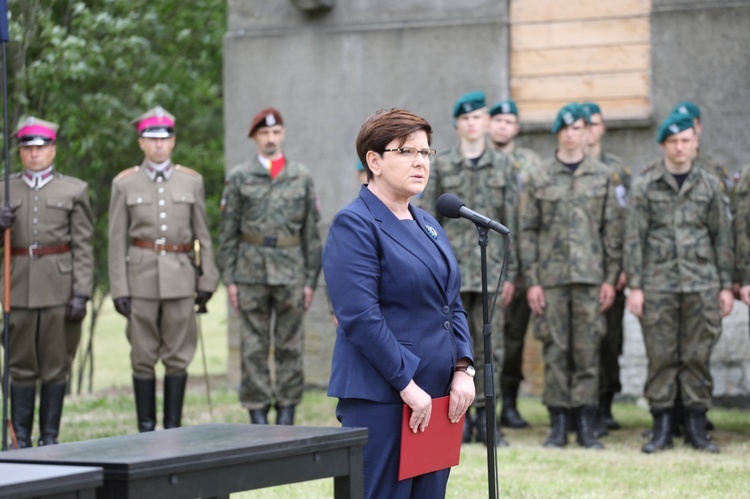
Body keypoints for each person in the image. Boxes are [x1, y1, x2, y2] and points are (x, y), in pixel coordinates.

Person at [323, 108, 474, 498]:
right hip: (384, 397)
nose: (419, 162)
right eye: (407, 152)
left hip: (437, 394)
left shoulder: (428, 222)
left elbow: (450, 302)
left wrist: (463, 367)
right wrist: (406, 383)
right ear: (373, 161)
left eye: (425, 153)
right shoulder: (354, 223)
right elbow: (360, 317)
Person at [625, 113, 733, 454]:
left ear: (695, 142)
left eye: (686, 140)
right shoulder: (645, 184)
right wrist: (636, 287)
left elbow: (722, 238)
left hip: (702, 285)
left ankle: (698, 429)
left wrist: (725, 286)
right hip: (658, 286)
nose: (680, 147)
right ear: (663, 145)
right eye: (673, 141)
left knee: (697, 357)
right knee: (661, 357)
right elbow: (634, 239)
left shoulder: (710, 183)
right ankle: (662, 429)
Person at [108, 106, 219, 432]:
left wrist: (207, 279)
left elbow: (203, 235)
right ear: (141, 142)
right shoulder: (124, 184)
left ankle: (173, 428)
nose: (158, 145)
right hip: (139, 279)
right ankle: (146, 429)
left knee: (178, 355)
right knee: (142, 356)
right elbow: (116, 241)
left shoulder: (192, 181)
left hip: (182, 278)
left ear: (173, 141)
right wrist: (119, 289)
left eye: (164, 138)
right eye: (151, 139)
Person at [519, 103, 622, 450]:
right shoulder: (538, 177)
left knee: (589, 350)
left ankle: (586, 423)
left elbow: (612, 231)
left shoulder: (603, 176)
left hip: (591, 279)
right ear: (558, 133)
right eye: (564, 128)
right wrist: (532, 280)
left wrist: (610, 278)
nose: (571, 134)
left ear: (587, 132)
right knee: (555, 350)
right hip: (551, 280)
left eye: (577, 127)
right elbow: (527, 231)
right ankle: (558, 423)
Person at [419, 91, 517, 446]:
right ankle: (457, 418)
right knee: (452, 348)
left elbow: (511, 221)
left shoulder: (505, 166)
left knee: (493, 347)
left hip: (490, 270)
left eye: (479, 117)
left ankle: (488, 420)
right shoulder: (442, 165)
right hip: (452, 272)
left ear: (487, 123)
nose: (473, 124)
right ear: (458, 125)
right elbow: (427, 221)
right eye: (467, 118)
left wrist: (511, 271)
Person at [217, 107, 322, 426]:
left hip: (291, 272)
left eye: (276, 133)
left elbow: (311, 235)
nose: (271, 139)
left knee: (290, 344)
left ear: (283, 135)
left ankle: (287, 408)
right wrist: (230, 278)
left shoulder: (300, 177)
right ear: (254, 138)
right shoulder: (239, 177)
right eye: (264, 133)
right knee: (253, 346)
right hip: (250, 272)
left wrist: (309, 281)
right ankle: (257, 411)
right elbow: (227, 231)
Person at [0, 116, 93, 447]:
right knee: (20, 366)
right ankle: (20, 437)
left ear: (53, 150)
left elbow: (83, 245)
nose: (34, 154)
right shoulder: (4, 190)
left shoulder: (74, 189)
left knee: (55, 366)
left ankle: (50, 437)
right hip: (18, 286)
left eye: (41, 148)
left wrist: (82, 291)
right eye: (27, 148)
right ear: (20, 152)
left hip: (59, 287)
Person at [487, 98, 539, 429]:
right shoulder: (479, 160)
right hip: (485, 259)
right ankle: (483, 406)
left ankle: (511, 404)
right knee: (486, 338)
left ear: (517, 127)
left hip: (519, 260)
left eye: (510, 121)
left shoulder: (532, 164)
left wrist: (523, 268)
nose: (503, 126)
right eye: (498, 120)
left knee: (515, 336)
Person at [582, 101, 630, 432]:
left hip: (609, 270)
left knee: (610, 340)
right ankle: (580, 408)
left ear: (602, 129)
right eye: (581, 125)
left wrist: (624, 267)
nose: (588, 131)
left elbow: (627, 221)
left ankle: (606, 403)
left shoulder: (617, 171)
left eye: (593, 124)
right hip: (574, 270)